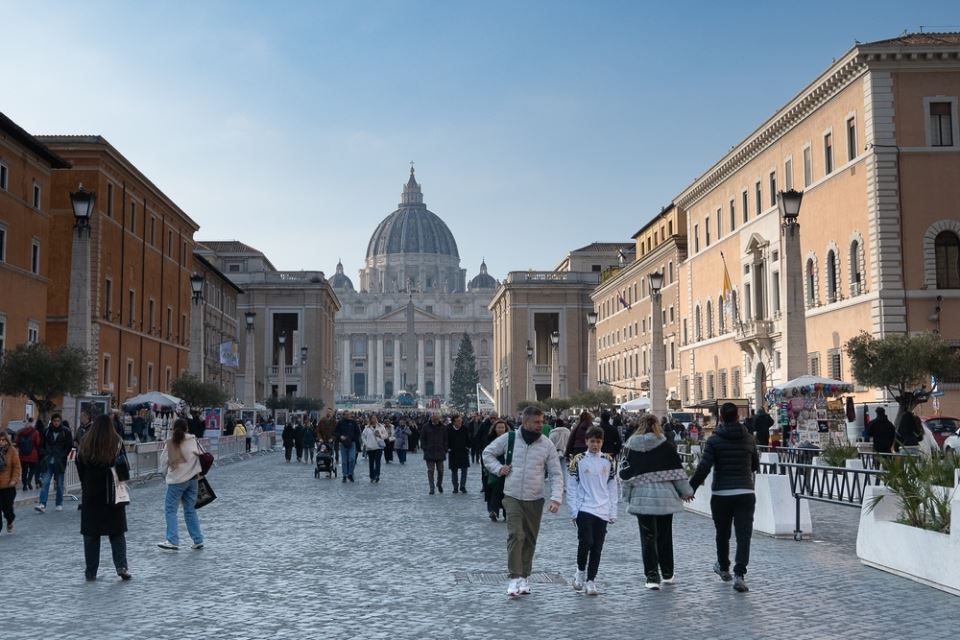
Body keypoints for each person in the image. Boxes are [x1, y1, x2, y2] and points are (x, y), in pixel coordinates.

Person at [483, 406, 564, 597]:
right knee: (516, 535)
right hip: (512, 495)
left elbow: (555, 473)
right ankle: (514, 577)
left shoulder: (547, 444)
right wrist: (499, 468)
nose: (540, 425)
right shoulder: (510, 438)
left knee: (529, 538)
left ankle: (524, 576)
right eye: (537, 422)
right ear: (526, 422)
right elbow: (487, 453)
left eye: (542, 421)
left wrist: (556, 498)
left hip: (535, 498)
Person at [689, 402, 759, 593]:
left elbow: (704, 467)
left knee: (723, 533)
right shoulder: (749, 439)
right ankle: (740, 574)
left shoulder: (714, 440)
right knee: (744, 535)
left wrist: (690, 489)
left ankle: (723, 566)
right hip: (745, 492)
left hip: (721, 493)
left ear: (720, 418)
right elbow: (755, 465)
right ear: (738, 416)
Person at [620, 413, 694, 590]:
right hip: (665, 498)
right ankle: (667, 573)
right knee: (665, 535)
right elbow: (678, 474)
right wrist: (686, 492)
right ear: (657, 426)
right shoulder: (666, 446)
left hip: (641, 497)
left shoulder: (630, 447)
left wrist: (626, 497)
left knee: (647, 537)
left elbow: (624, 476)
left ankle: (652, 577)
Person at [76, 415, 131, 580]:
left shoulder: (86, 441)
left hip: (91, 492)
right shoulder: (116, 441)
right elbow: (124, 467)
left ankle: (91, 571)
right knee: (117, 532)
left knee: (91, 534)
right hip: (112, 491)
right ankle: (121, 566)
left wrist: (86, 483)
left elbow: (79, 465)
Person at [567, 426, 618, 596]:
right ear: (586, 442)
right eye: (592, 441)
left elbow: (612, 487)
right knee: (586, 541)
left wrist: (613, 511)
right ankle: (580, 571)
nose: (595, 445)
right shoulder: (578, 460)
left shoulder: (608, 460)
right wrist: (573, 510)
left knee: (597, 547)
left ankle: (591, 581)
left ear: (602, 442)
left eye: (598, 441)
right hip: (584, 508)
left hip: (602, 509)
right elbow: (572, 485)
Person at [158, 418, 204, 551]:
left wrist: (166, 475)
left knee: (170, 510)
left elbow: (163, 462)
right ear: (187, 428)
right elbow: (202, 455)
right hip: (193, 479)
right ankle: (198, 539)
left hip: (176, 480)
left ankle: (172, 540)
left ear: (173, 429)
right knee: (190, 510)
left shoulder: (171, 443)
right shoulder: (193, 440)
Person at [35, 414, 74, 514]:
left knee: (60, 484)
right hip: (48, 460)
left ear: (60, 421)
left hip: (59, 461)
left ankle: (59, 503)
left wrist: (63, 455)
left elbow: (69, 445)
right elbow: (41, 445)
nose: (56, 423)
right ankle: (42, 504)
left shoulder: (66, 431)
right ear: (52, 421)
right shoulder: (46, 431)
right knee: (45, 482)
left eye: (58, 421)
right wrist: (44, 454)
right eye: (55, 421)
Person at [483, 420, 510, 521]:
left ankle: (506, 513)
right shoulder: (490, 439)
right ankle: (493, 511)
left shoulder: (509, 439)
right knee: (494, 490)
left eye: (502, 427)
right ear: (495, 428)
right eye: (499, 427)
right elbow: (486, 454)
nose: (501, 429)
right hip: (493, 468)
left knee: (506, 492)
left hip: (507, 467)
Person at [421, 413, 448, 495]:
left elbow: (446, 439)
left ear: (439, 419)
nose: (435, 420)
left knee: (440, 470)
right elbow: (422, 438)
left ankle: (439, 484)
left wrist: (445, 449)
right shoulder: (426, 427)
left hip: (440, 452)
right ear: (431, 418)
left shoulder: (443, 427)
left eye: (437, 418)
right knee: (430, 470)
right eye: (434, 418)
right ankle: (431, 488)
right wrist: (424, 448)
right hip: (429, 452)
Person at [0, 431, 21, 534]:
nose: (1, 442)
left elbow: (17, 467)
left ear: (7, 440)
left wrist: (14, 480)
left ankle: (10, 521)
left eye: (3, 440)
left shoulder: (12, 451)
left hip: (8, 486)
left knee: (8, 510)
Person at [334, 411, 362, 482]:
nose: (348, 415)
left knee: (352, 459)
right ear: (343, 415)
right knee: (344, 461)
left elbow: (358, 432)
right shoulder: (340, 422)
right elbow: (336, 432)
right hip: (343, 444)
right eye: (346, 414)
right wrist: (340, 436)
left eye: (349, 414)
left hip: (352, 443)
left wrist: (353, 439)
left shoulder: (353, 422)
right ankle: (344, 475)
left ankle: (350, 474)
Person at [447, 414, 471, 493]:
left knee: (464, 470)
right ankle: (455, 487)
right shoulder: (449, 429)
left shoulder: (465, 429)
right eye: (458, 421)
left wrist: (468, 446)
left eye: (460, 421)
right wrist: (448, 448)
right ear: (453, 422)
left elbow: (469, 439)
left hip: (463, 452)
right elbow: (446, 440)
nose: (460, 422)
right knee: (454, 471)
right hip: (453, 453)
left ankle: (462, 486)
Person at [14, 420, 41, 491]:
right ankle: (29, 481)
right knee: (32, 469)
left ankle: (24, 485)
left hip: (23, 455)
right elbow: (38, 443)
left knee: (24, 471)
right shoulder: (35, 432)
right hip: (33, 455)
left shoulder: (20, 433)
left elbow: (17, 442)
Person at [361, 417, 386, 483]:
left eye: (375, 418)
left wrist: (380, 436)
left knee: (378, 462)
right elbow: (363, 436)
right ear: (370, 420)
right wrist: (366, 444)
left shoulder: (381, 426)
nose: (374, 419)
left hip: (379, 447)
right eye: (373, 418)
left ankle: (377, 475)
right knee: (371, 462)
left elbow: (385, 435)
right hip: (370, 447)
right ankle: (372, 476)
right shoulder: (367, 428)